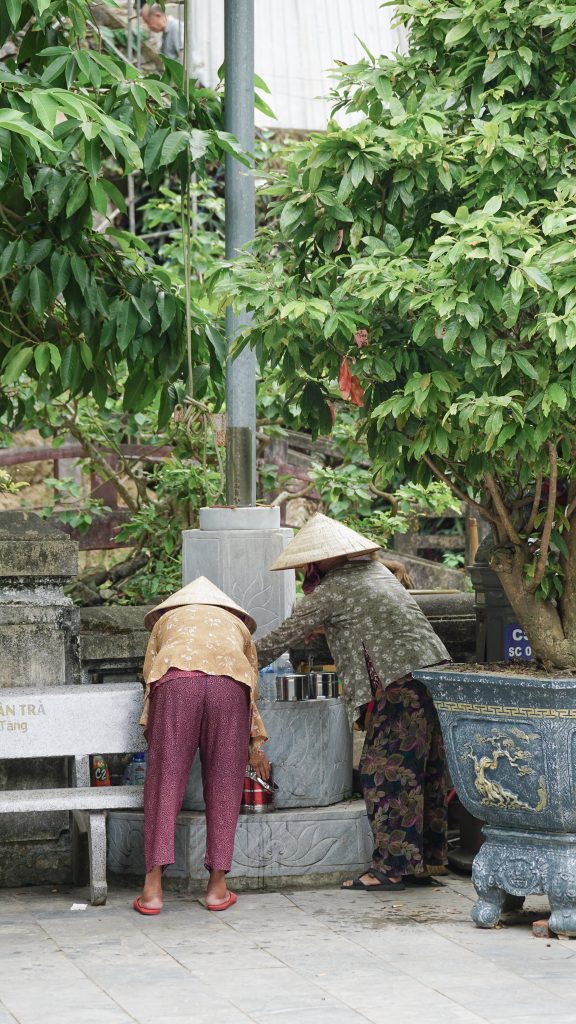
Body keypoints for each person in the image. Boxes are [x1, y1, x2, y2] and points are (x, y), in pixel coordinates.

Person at [256, 513, 450, 893]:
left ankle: (390, 870)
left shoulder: (333, 590)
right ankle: (423, 863)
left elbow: (280, 639)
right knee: (423, 772)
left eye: (310, 563)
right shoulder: (376, 573)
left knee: (385, 773)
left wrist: (231, 659)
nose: (307, 570)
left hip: (400, 682)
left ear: (324, 559)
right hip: (433, 675)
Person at [133, 576, 269, 915]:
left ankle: (152, 890)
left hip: (177, 684)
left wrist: (159, 736)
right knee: (224, 784)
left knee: (165, 783)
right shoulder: (236, 625)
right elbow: (251, 685)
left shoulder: (167, 621)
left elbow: (150, 673)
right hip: (229, 687)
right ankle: (217, 889)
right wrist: (254, 743)